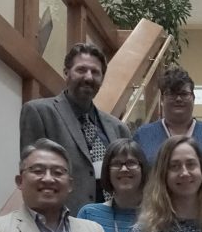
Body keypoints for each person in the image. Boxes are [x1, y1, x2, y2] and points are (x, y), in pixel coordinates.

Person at [20, 43, 132, 213]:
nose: (88, 77)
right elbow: (32, 174)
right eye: (81, 70)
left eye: (95, 72)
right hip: (61, 222)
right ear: (66, 73)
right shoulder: (40, 113)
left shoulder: (118, 128)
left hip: (111, 223)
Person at [132, 67, 202, 181]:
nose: (178, 99)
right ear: (162, 99)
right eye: (172, 94)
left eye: (184, 94)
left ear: (193, 98)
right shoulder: (143, 135)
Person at [76, 139, 148, 232]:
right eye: (116, 164)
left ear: (142, 168)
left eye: (131, 162)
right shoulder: (89, 215)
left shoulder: (160, 214)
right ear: (107, 171)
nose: (124, 169)